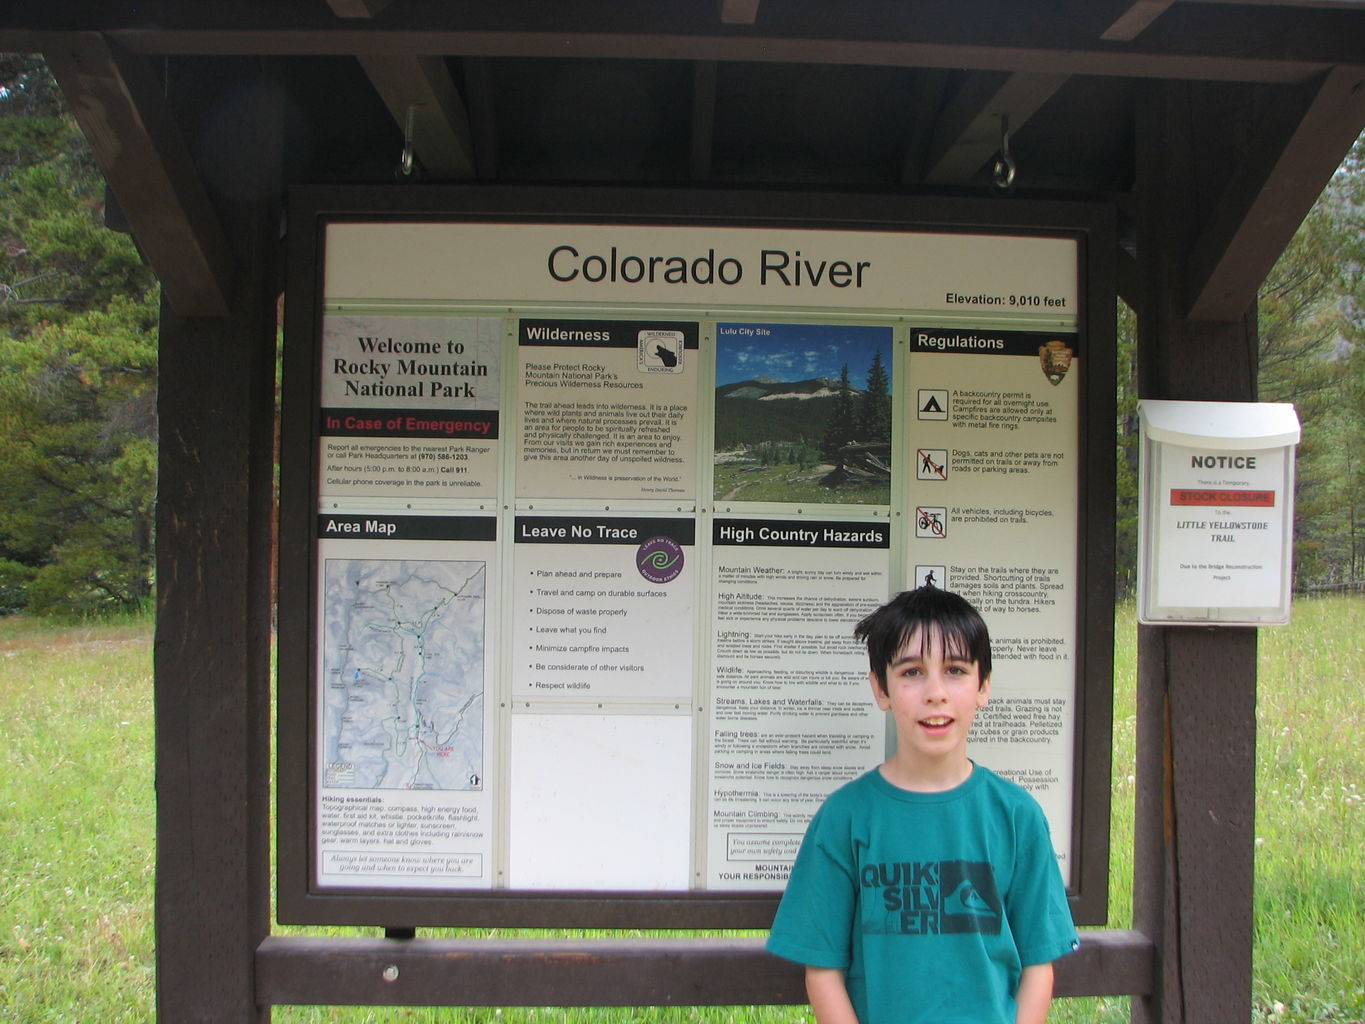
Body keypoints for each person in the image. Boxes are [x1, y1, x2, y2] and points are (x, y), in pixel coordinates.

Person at [766, 586, 1078, 1024]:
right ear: (881, 687)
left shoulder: (1016, 816)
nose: (935, 692)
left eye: (955, 670)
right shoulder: (845, 818)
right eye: (911, 672)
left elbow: (1038, 964)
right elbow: (822, 969)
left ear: (983, 685)